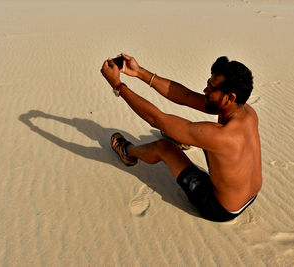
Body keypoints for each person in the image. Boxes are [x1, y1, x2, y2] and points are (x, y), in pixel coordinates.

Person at [101, 53, 262, 222]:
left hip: (219, 208)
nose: (205, 90)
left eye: (212, 88)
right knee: (192, 131)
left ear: (230, 97)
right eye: (208, 83)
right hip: (250, 195)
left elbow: (156, 120)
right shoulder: (246, 111)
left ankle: (127, 152)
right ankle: (181, 135)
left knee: (164, 147)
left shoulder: (219, 135)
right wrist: (139, 72)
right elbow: (187, 97)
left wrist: (118, 85)